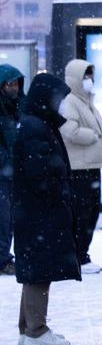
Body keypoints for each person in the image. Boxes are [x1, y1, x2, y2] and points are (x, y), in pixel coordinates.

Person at [13, 73, 79, 345]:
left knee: (36, 269)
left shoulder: (38, 124)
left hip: (36, 212)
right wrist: (57, 192)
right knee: (39, 271)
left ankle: (28, 328)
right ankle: (36, 331)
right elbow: (39, 173)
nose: (62, 104)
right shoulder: (35, 127)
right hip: (40, 213)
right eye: (59, 99)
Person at [59, 59, 102, 275]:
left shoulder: (87, 101)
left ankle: (82, 254)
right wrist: (94, 136)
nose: (89, 80)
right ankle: (79, 256)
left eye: (90, 76)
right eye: (85, 76)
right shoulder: (71, 102)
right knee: (82, 214)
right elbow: (69, 131)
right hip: (80, 169)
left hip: (92, 166)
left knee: (91, 213)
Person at [0, 64, 25, 276]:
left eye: (16, 83)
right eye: (9, 84)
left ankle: (4, 257)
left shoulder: (18, 109)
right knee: (3, 218)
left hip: (13, 173)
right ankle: (2, 259)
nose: (14, 88)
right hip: (3, 174)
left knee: (9, 219)